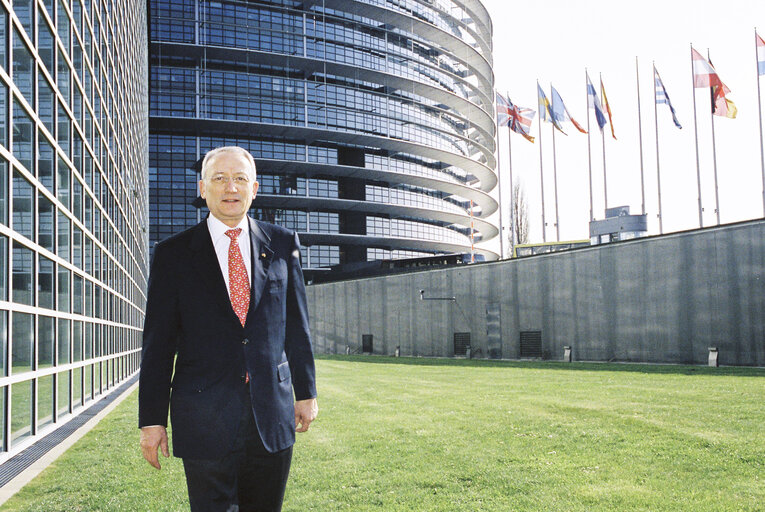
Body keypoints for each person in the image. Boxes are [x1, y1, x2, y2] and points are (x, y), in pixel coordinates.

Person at [138, 146, 318, 512]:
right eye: (219, 178)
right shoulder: (173, 254)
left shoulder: (283, 244)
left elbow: (297, 328)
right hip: (203, 418)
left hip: (271, 415)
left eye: (239, 178)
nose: (230, 187)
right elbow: (158, 344)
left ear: (255, 188)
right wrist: (152, 421)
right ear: (203, 188)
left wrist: (306, 392)